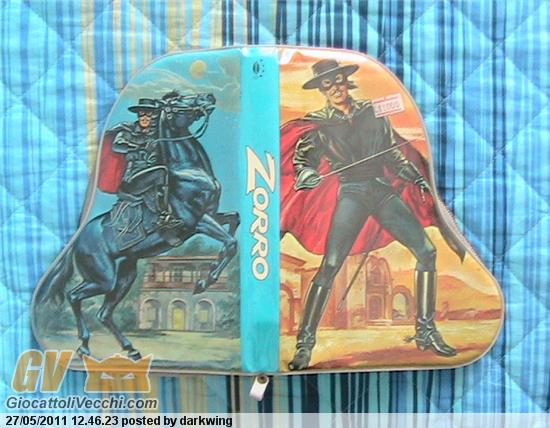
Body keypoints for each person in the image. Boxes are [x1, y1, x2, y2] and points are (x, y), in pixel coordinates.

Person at [284, 59, 458, 371]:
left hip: (381, 191)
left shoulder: (372, 112)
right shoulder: (319, 125)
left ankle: (425, 330)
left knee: (427, 251)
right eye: (327, 85)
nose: (335, 88)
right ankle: (304, 345)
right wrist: (306, 173)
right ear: (322, 90)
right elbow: (304, 161)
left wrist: (416, 177)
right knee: (331, 265)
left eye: (338, 81)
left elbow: (392, 154)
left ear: (346, 82)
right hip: (352, 193)